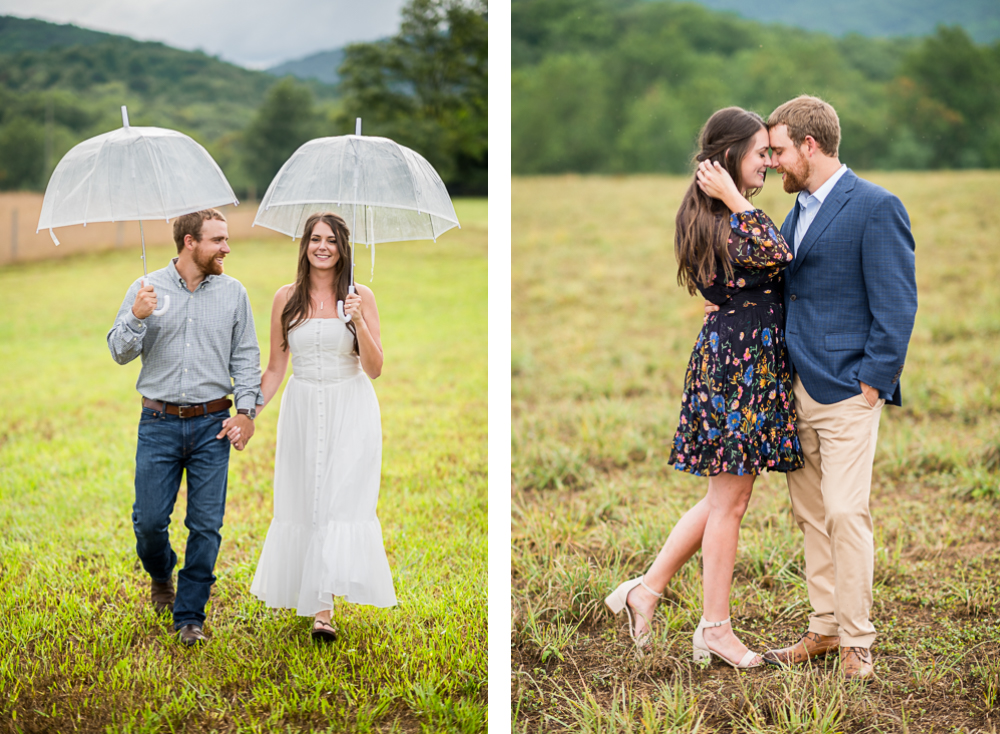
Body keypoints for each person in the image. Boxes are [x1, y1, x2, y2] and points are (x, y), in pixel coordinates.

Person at [605, 107, 803, 669]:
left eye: (771, 151)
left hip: (741, 360)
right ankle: (715, 628)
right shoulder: (723, 214)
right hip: (736, 365)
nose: (767, 161)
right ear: (730, 155)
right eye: (760, 151)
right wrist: (740, 200)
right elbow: (777, 253)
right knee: (731, 504)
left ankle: (644, 592)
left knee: (724, 499)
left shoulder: (715, 210)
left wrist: (737, 199)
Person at [748, 96, 917, 681]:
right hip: (796, 391)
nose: (772, 163)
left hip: (849, 392)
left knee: (847, 513)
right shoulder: (796, 214)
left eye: (778, 150)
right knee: (811, 514)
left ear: (809, 146)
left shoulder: (874, 205)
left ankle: (857, 643)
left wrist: (872, 383)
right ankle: (824, 629)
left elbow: (897, 305)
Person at [107, 208, 261, 647]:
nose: (226, 248)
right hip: (157, 423)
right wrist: (137, 316)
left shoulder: (234, 293)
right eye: (217, 240)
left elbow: (246, 358)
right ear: (190, 242)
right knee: (150, 523)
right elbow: (119, 352)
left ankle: (190, 615)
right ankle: (161, 574)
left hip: (214, 423)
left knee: (206, 525)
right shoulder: (147, 288)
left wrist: (246, 413)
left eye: (226, 239)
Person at [249, 212, 396, 642]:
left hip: (350, 406)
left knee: (336, 503)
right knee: (308, 500)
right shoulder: (285, 298)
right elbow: (276, 368)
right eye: (315, 239)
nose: (322, 247)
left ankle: (324, 609)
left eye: (331, 240)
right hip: (301, 405)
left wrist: (358, 322)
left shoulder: (359, 296)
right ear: (305, 245)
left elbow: (375, 368)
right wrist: (247, 412)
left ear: (342, 247)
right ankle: (319, 606)